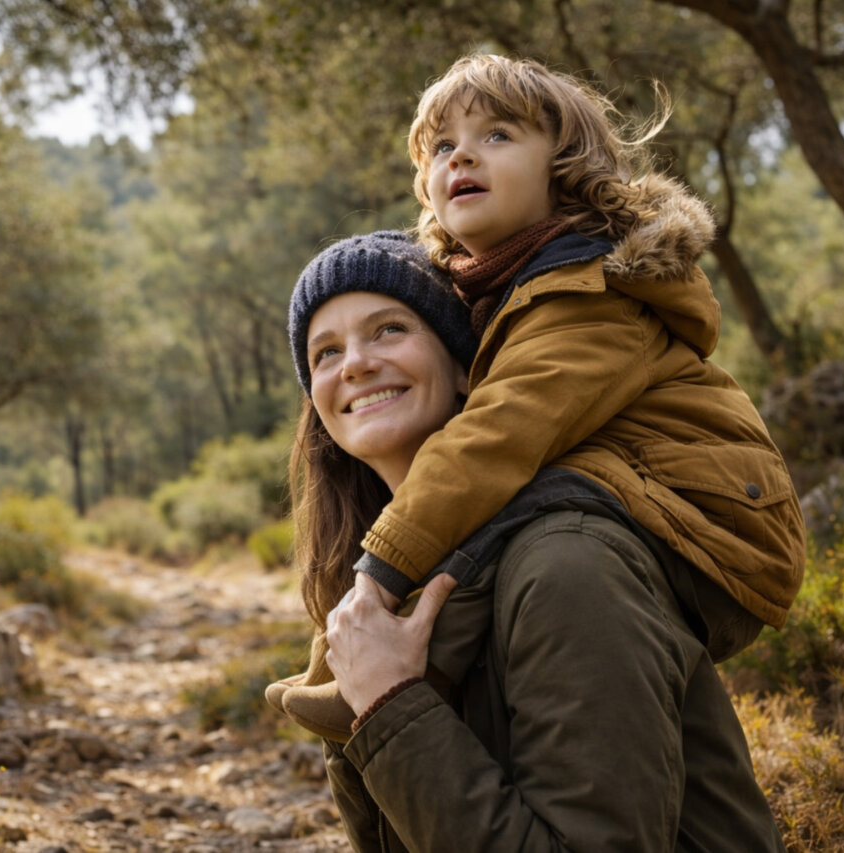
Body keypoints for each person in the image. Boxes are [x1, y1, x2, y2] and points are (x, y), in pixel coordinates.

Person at [273, 52, 805, 746]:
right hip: (642, 503)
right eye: (442, 146)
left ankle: (379, 675)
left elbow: (498, 434)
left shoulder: (592, 291)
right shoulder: (513, 293)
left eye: (497, 135)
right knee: (505, 513)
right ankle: (360, 669)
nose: (463, 154)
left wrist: (377, 569)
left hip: (710, 524)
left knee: (505, 503)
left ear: (564, 166)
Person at [271, 229, 785, 850]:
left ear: (467, 368)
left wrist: (391, 705)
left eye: (389, 330)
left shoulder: (570, 564)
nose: (353, 363)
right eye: (325, 353)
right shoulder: (373, 598)